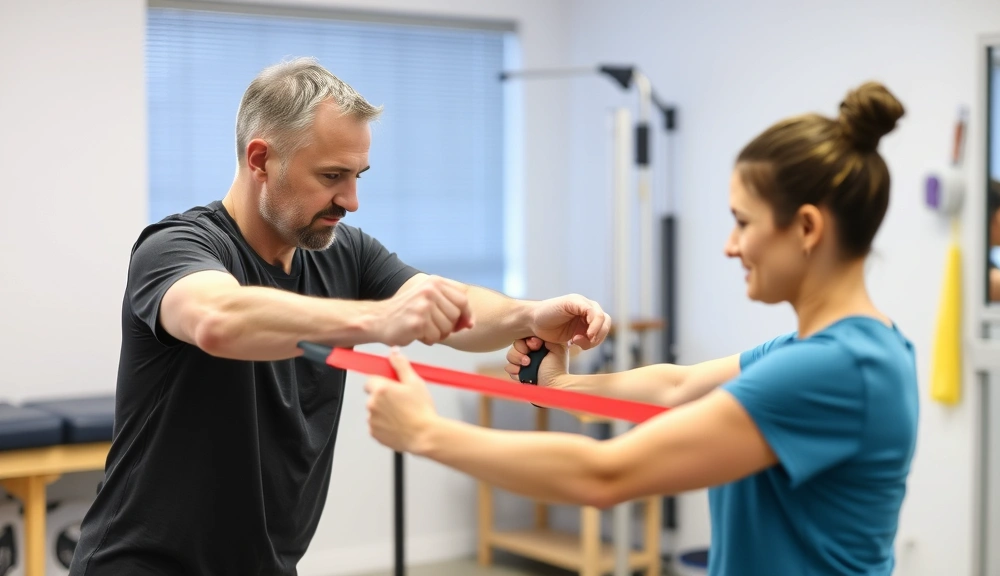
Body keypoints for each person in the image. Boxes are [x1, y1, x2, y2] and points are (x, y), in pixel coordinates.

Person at [69, 57, 611, 576]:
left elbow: (451, 305)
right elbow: (218, 319)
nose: (351, 200)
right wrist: (378, 320)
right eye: (331, 176)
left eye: (358, 176)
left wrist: (529, 315)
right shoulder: (175, 247)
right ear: (260, 160)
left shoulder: (343, 251)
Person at [364, 81, 919, 576]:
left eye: (742, 222)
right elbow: (677, 386)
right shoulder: (848, 350)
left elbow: (604, 475)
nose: (731, 246)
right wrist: (557, 386)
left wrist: (425, 433)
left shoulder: (830, 369)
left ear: (806, 228)